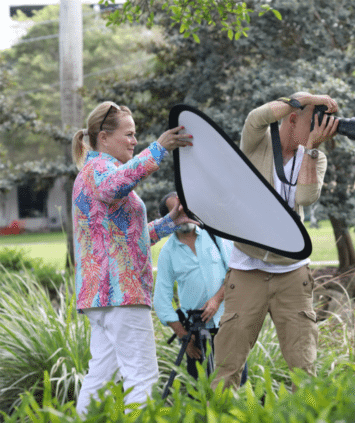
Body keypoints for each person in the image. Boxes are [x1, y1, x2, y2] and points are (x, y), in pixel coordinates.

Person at [72, 101, 196, 415]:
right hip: (121, 294)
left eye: (136, 135)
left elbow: (128, 238)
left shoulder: (94, 172)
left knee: (100, 378)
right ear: (103, 138)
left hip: (103, 298)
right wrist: (159, 149)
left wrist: (171, 221)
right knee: (142, 377)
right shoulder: (101, 170)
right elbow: (115, 186)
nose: (134, 140)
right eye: (128, 134)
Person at [210, 92, 338, 390]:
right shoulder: (258, 142)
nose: (320, 130)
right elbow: (257, 117)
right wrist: (305, 98)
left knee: (303, 367)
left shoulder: (316, 157)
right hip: (247, 269)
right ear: (292, 118)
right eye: (314, 122)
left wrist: (311, 149)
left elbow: (305, 197)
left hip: (292, 272)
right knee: (228, 365)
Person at [153, 192, 247, 384]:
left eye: (186, 208)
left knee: (236, 385)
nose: (183, 214)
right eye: (176, 211)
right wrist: (183, 336)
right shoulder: (168, 253)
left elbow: (236, 272)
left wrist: (216, 300)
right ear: (168, 218)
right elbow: (161, 301)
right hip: (194, 332)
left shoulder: (215, 236)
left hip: (228, 324)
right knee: (200, 390)